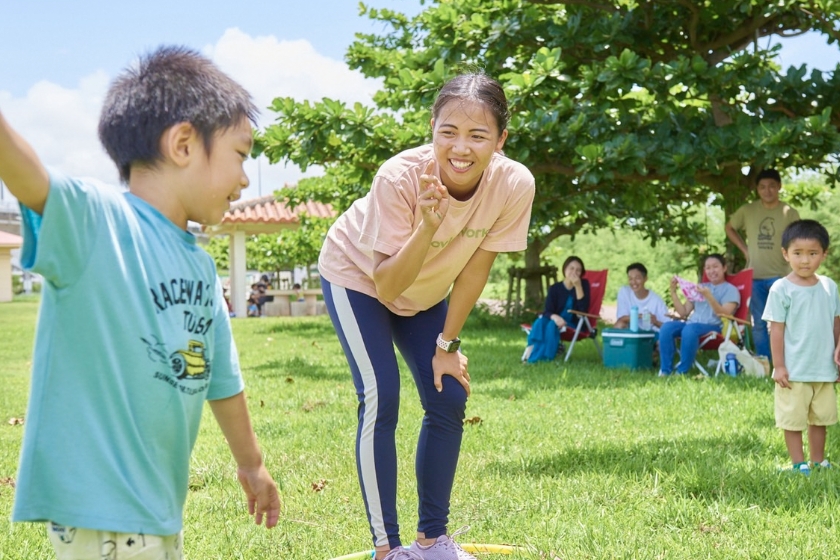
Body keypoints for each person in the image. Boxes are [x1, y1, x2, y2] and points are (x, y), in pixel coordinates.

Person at [1, 46, 280, 559]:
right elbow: (29, 176)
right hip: (101, 506)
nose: (245, 179)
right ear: (182, 144)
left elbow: (222, 380)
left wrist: (252, 464)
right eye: (240, 155)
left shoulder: (199, 265)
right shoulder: (96, 223)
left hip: (156, 507)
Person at [318, 73, 534, 560]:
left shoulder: (513, 183)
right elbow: (387, 285)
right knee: (382, 394)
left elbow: (477, 268)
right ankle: (386, 548)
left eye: (478, 135)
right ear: (432, 127)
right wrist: (428, 226)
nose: (461, 148)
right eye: (448, 132)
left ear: (500, 140)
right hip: (358, 278)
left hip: (427, 291)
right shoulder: (399, 178)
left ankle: (432, 541)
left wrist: (446, 348)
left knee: (449, 393)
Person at [764, 220, 840, 474]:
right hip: (794, 370)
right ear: (785, 253)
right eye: (797, 253)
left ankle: (818, 460)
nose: (805, 260)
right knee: (793, 420)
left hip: (823, 367)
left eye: (813, 253)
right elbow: (776, 329)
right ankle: (798, 463)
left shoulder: (829, 286)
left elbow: (836, 325)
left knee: (821, 418)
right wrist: (778, 365)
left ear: (824, 254)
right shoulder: (781, 288)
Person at [725, 169, 801, 360]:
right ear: (757, 189)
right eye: (762, 187)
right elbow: (729, 227)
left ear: (779, 187)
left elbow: (799, 240)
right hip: (755, 275)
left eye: (772, 186)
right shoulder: (748, 210)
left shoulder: (790, 212)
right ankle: (764, 361)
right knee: (758, 323)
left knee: (785, 321)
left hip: (782, 276)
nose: (767, 191)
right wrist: (744, 249)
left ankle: (787, 360)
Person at [658, 254, 740, 376]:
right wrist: (673, 292)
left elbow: (724, 314)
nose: (711, 271)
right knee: (667, 327)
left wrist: (709, 296)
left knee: (690, 329)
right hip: (691, 324)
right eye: (708, 268)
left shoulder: (731, 290)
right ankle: (665, 370)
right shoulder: (700, 287)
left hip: (714, 327)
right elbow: (683, 312)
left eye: (715, 267)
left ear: (724, 268)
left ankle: (682, 371)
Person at [523, 256, 590, 363]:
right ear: (565, 269)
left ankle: (544, 358)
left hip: (573, 324)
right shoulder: (555, 288)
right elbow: (548, 310)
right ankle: (530, 352)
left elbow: (583, 310)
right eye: (571, 268)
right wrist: (555, 317)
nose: (574, 272)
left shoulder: (584, 285)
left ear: (581, 273)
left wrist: (578, 286)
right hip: (555, 320)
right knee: (540, 322)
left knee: (550, 325)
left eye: (578, 270)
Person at [613, 262, 670, 332]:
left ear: (645, 278)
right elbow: (621, 319)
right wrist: (641, 316)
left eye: (637, 278)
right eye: (630, 279)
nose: (633, 282)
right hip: (631, 331)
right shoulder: (624, 292)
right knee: (619, 324)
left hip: (651, 333)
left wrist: (655, 322)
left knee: (663, 339)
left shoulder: (656, 300)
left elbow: (668, 326)